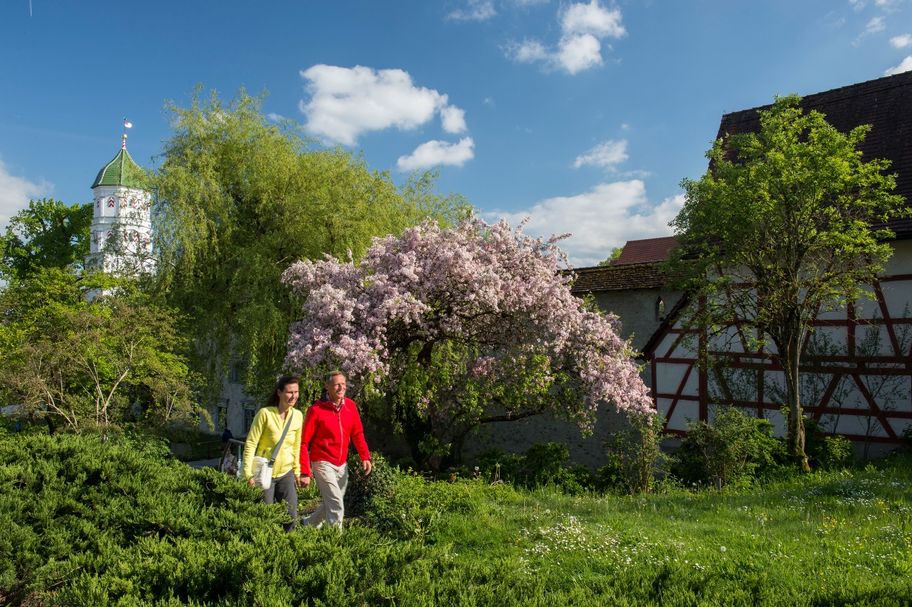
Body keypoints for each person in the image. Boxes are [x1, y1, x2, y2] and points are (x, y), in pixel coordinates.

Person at [300, 371, 372, 529]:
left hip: (341, 464)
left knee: (332, 501)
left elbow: (357, 433)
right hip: (322, 462)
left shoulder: (350, 406)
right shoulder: (316, 410)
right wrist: (305, 471)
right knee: (336, 505)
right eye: (337, 384)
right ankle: (334, 540)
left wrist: (365, 456)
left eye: (343, 384)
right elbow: (304, 442)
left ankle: (308, 524)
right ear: (327, 386)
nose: (341, 387)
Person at [243, 375, 306, 532]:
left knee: (291, 516)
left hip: (286, 472)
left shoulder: (297, 415)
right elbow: (251, 443)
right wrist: (248, 474)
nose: (294, 396)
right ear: (279, 392)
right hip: (264, 472)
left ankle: (289, 544)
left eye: (296, 392)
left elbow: (296, 446)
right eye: (290, 392)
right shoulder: (265, 414)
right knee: (264, 518)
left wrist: (297, 471)